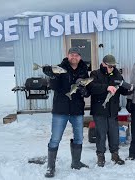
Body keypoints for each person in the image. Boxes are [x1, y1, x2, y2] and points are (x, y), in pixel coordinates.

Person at [42, 47, 89, 178]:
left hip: (77, 110)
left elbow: (88, 90)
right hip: (60, 110)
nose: (74, 57)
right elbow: (54, 86)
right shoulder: (59, 68)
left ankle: (76, 162)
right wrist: (52, 76)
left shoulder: (84, 70)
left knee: (79, 137)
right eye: (71, 54)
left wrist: (85, 92)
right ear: (68, 56)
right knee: (55, 138)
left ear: (80, 57)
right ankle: (50, 167)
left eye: (76, 55)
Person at [87, 55, 131, 167]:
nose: (112, 68)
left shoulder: (117, 74)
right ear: (103, 64)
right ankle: (100, 156)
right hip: (99, 110)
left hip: (113, 110)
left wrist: (129, 89)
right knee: (101, 134)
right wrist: (106, 87)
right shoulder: (95, 74)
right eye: (109, 66)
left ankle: (115, 155)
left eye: (113, 66)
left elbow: (123, 90)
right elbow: (91, 87)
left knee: (114, 134)